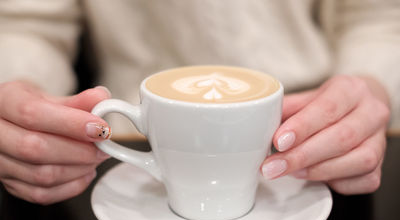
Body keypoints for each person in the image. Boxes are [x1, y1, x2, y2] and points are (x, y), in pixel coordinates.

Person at [0, 0, 398, 204]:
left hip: (312, 139)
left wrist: (368, 87)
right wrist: (23, 96)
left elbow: (378, 18)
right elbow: (26, 24)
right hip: (135, 134)